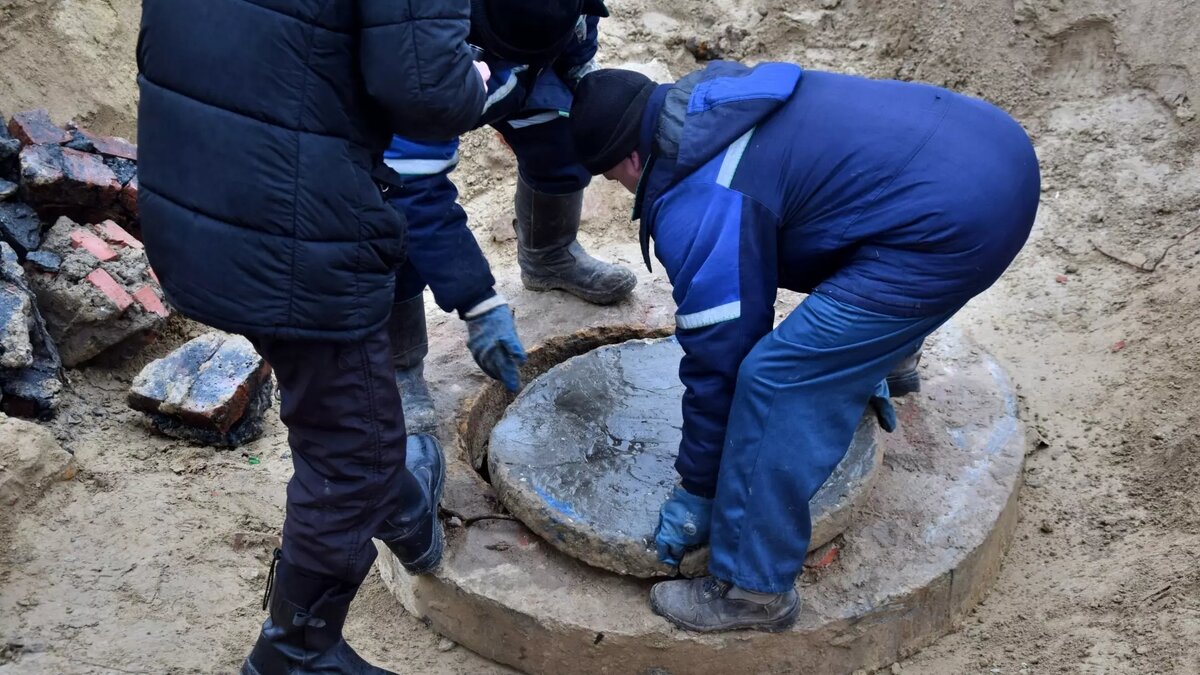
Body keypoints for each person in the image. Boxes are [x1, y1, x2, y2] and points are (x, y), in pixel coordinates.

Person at [569, 62, 1039, 632]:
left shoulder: (703, 196)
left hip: (956, 225)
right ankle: (891, 356)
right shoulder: (718, 100)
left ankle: (750, 588)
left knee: (776, 380)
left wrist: (699, 487)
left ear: (632, 160)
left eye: (612, 177)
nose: (620, 188)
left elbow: (723, 355)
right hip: (989, 147)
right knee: (841, 221)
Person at [136, 1, 490, 672]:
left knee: (345, 409)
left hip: (190, 184)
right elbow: (425, 87)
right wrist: (472, 78)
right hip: (291, 223)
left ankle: (404, 510)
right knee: (353, 452)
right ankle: (296, 652)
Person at [380, 0, 637, 432]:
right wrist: (478, 302)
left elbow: (580, 39)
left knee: (566, 138)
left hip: (523, 67)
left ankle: (549, 257)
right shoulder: (420, 48)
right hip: (439, 88)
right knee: (391, 225)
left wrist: (586, 91)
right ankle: (399, 365)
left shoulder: (567, 8)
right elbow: (414, 194)